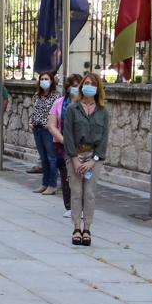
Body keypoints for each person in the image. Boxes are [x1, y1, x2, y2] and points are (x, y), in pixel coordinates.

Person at [63, 71, 109, 246]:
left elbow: (104, 138)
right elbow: (67, 135)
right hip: (75, 154)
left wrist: (93, 160)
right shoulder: (72, 109)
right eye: (86, 83)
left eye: (92, 84)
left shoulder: (103, 112)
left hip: (93, 156)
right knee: (77, 192)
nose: (88, 86)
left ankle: (87, 228)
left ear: (97, 88)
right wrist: (74, 159)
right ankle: (76, 227)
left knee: (89, 194)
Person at [47, 74, 83, 220]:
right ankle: (69, 206)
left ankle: (81, 207)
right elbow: (51, 125)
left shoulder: (86, 104)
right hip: (62, 145)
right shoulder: (59, 103)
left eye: (77, 85)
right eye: (72, 86)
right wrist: (65, 141)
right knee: (66, 175)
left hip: (82, 146)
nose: (74, 88)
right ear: (67, 88)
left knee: (81, 175)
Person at [29, 72, 60, 194]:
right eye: (42, 79)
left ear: (51, 81)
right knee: (43, 158)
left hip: (48, 130)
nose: (43, 81)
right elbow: (34, 110)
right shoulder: (37, 96)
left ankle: (52, 185)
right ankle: (44, 183)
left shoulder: (56, 96)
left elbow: (57, 114)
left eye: (46, 79)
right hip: (37, 129)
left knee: (51, 158)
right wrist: (31, 122)